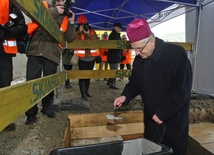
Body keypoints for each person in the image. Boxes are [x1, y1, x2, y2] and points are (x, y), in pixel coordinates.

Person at [113, 18, 192, 155]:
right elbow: (135, 83)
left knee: (173, 152)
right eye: (134, 49)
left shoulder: (176, 54)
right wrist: (125, 95)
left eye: (139, 48)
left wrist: (163, 113)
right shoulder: (139, 61)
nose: (136, 53)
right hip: (150, 119)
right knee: (152, 150)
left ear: (151, 41)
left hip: (172, 120)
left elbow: (182, 90)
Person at [25, 0, 76, 125]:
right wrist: (55, 11)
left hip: (52, 54)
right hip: (36, 51)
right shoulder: (45, 6)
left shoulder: (66, 17)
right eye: (59, 1)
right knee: (32, 82)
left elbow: (69, 38)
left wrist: (71, 22)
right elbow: (37, 15)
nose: (61, 3)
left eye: (64, 1)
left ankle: (47, 108)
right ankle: (31, 113)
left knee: (49, 84)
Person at [0, 0, 27, 131]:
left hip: (4, 55)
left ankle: (3, 120)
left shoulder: (9, 4)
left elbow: (22, 28)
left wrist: (6, 32)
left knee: (4, 88)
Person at [74, 15, 99, 101]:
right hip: (82, 58)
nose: (84, 26)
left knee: (88, 75)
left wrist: (88, 34)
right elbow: (75, 42)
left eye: (85, 24)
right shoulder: (76, 32)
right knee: (82, 76)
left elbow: (96, 41)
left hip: (91, 57)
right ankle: (82, 93)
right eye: (81, 25)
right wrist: (79, 33)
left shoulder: (91, 31)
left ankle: (87, 91)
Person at [107, 22, 123, 89]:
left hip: (115, 55)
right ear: (116, 27)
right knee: (114, 70)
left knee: (113, 69)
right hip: (114, 56)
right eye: (119, 28)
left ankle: (110, 82)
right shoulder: (113, 35)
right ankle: (112, 83)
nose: (120, 29)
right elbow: (115, 46)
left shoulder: (115, 35)